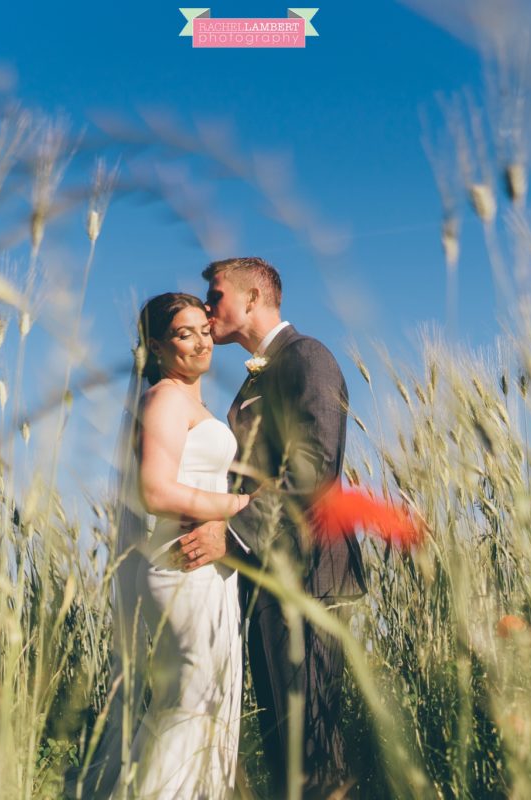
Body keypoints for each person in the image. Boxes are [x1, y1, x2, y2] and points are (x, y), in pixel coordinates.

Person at [180, 256, 367, 798]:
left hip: (304, 575)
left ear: (253, 298)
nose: (208, 308)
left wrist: (229, 534)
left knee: (310, 749)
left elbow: (314, 468)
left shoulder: (307, 357)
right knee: (285, 746)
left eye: (216, 295)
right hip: (267, 578)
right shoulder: (256, 379)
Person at [85, 292, 248, 799]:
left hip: (205, 568)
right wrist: (238, 506)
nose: (201, 342)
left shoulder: (191, 401)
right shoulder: (165, 398)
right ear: (156, 346)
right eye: (184, 333)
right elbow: (154, 491)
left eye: (204, 329)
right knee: (191, 704)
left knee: (201, 703)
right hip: (183, 571)